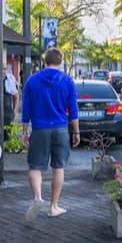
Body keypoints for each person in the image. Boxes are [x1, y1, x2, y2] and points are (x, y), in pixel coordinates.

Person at [21, 48, 79, 222]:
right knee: (58, 167)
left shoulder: (32, 81)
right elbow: (73, 110)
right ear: (60, 62)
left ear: (44, 61)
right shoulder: (67, 81)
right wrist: (76, 131)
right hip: (61, 128)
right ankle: (54, 207)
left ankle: (38, 197)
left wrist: (24, 131)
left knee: (35, 167)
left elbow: (26, 110)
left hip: (39, 128)